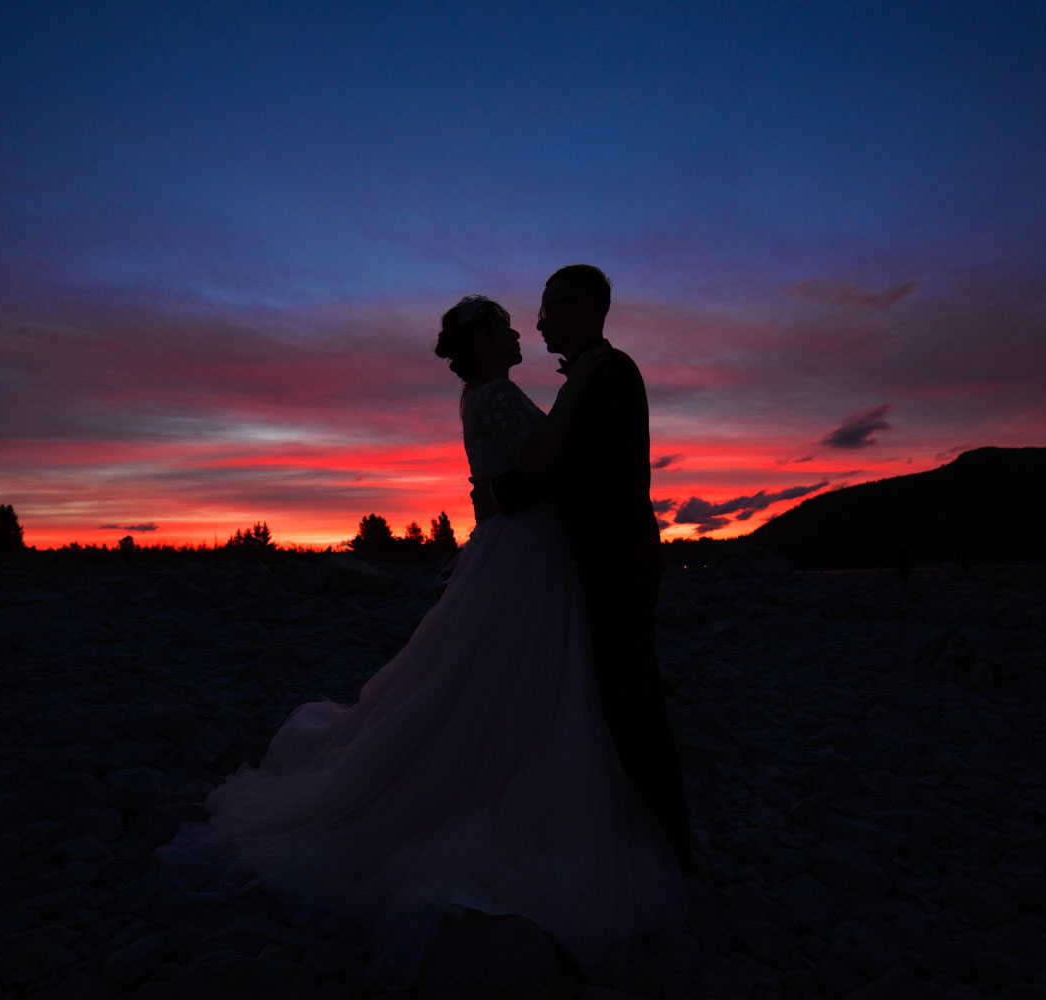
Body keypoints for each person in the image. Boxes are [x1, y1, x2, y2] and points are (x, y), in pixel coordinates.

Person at [159, 295, 683, 987]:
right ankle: (503, 787)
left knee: (503, 674)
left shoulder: (487, 394)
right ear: (486, 344)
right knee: (514, 672)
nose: (520, 330)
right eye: (504, 326)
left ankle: (507, 762)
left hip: (521, 550)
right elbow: (543, 461)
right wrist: (582, 383)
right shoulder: (494, 397)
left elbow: (489, 487)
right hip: (527, 558)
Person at [488, 265, 694, 876]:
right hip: (602, 559)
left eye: (549, 308)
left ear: (584, 306)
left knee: (632, 703)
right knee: (611, 698)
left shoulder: (609, 374)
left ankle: (669, 848)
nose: (540, 320)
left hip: (617, 562)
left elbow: (565, 468)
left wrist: (497, 497)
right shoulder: (593, 374)